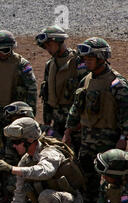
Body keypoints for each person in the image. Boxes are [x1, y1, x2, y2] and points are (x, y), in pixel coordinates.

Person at [63, 37, 128, 203]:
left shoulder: (116, 83)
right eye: (85, 58)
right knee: (87, 179)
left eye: (90, 58)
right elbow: (75, 108)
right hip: (87, 140)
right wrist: (68, 131)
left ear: (101, 58)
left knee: (110, 182)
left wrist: (123, 137)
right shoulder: (86, 80)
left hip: (108, 141)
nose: (86, 61)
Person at [35, 25, 87, 154]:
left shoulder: (78, 62)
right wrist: (47, 123)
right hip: (57, 121)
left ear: (58, 41)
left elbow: (86, 94)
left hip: (77, 122)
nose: (47, 49)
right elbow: (46, 95)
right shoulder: (50, 64)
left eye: (49, 44)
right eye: (45, 46)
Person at [0, 101, 35, 199]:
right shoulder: (6, 136)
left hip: (34, 175)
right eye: (11, 120)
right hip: (12, 172)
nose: (14, 124)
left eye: (16, 120)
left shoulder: (42, 132)